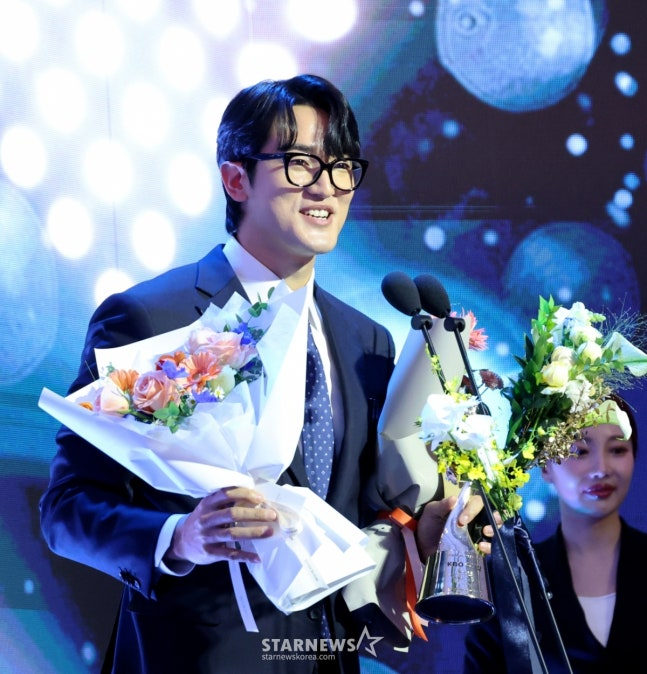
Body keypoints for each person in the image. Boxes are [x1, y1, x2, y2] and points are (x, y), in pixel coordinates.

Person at [39, 74, 485, 674]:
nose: (326, 186)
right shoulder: (150, 317)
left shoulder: (366, 340)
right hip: (195, 658)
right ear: (236, 179)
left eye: (342, 166)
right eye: (301, 163)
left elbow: (355, 520)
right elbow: (66, 510)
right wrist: (180, 537)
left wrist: (420, 534)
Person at [463, 394, 647, 673]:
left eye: (618, 450)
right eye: (580, 451)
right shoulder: (512, 578)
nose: (602, 469)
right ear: (546, 466)